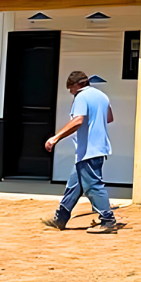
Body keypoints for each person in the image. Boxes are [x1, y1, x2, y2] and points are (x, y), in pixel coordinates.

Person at [42, 70, 119, 234]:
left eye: (71, 88)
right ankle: (60, 218)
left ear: (78, 85)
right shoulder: (101, 96)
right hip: (97, 147)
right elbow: (109, 118)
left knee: (93, 185)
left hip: (89, 148)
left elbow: (78, 120)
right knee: (74, 185)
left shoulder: (81, 97)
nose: (70, 91)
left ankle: (107, 220)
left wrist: (56, 138)